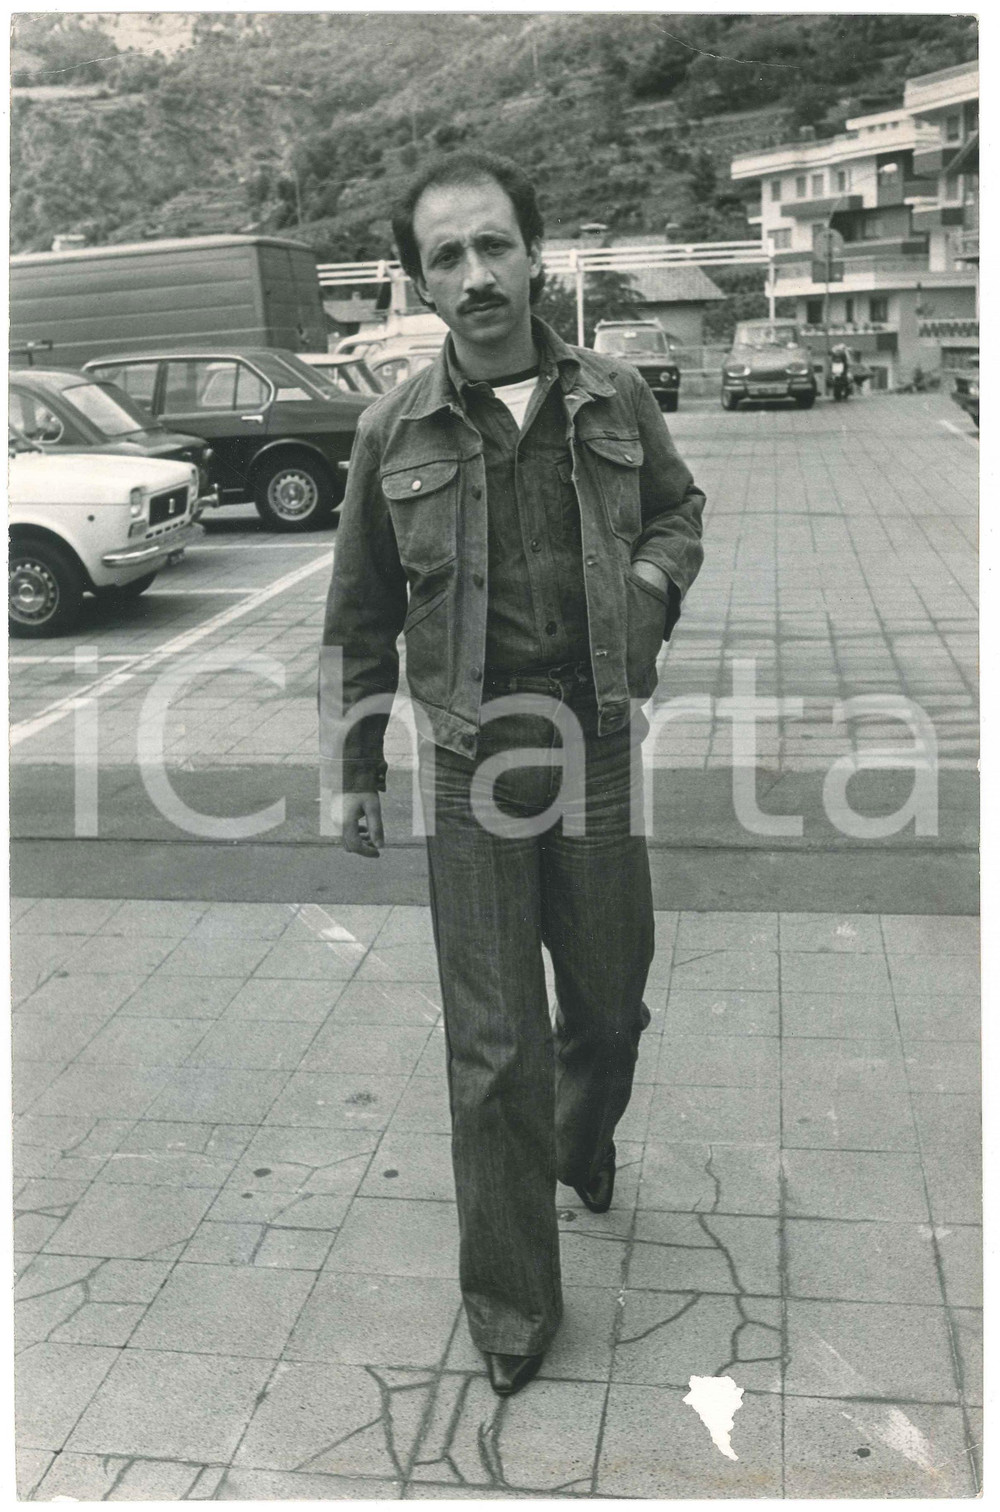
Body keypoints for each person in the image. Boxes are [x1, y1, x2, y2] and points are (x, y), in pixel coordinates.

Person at [320, 149, 705, 1397]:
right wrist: (356, 764)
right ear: (421, 283)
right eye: (448, 256)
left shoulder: (614, 395)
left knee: (607, 1005)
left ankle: (583, 1139)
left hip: (590, 745)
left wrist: (647, 593)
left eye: (494, 245)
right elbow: (360, 611)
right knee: (494, 1053)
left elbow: (676, 512)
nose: (477, 274)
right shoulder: (394, 431)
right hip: (469, 759)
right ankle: (512, 1308)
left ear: (534, 252)